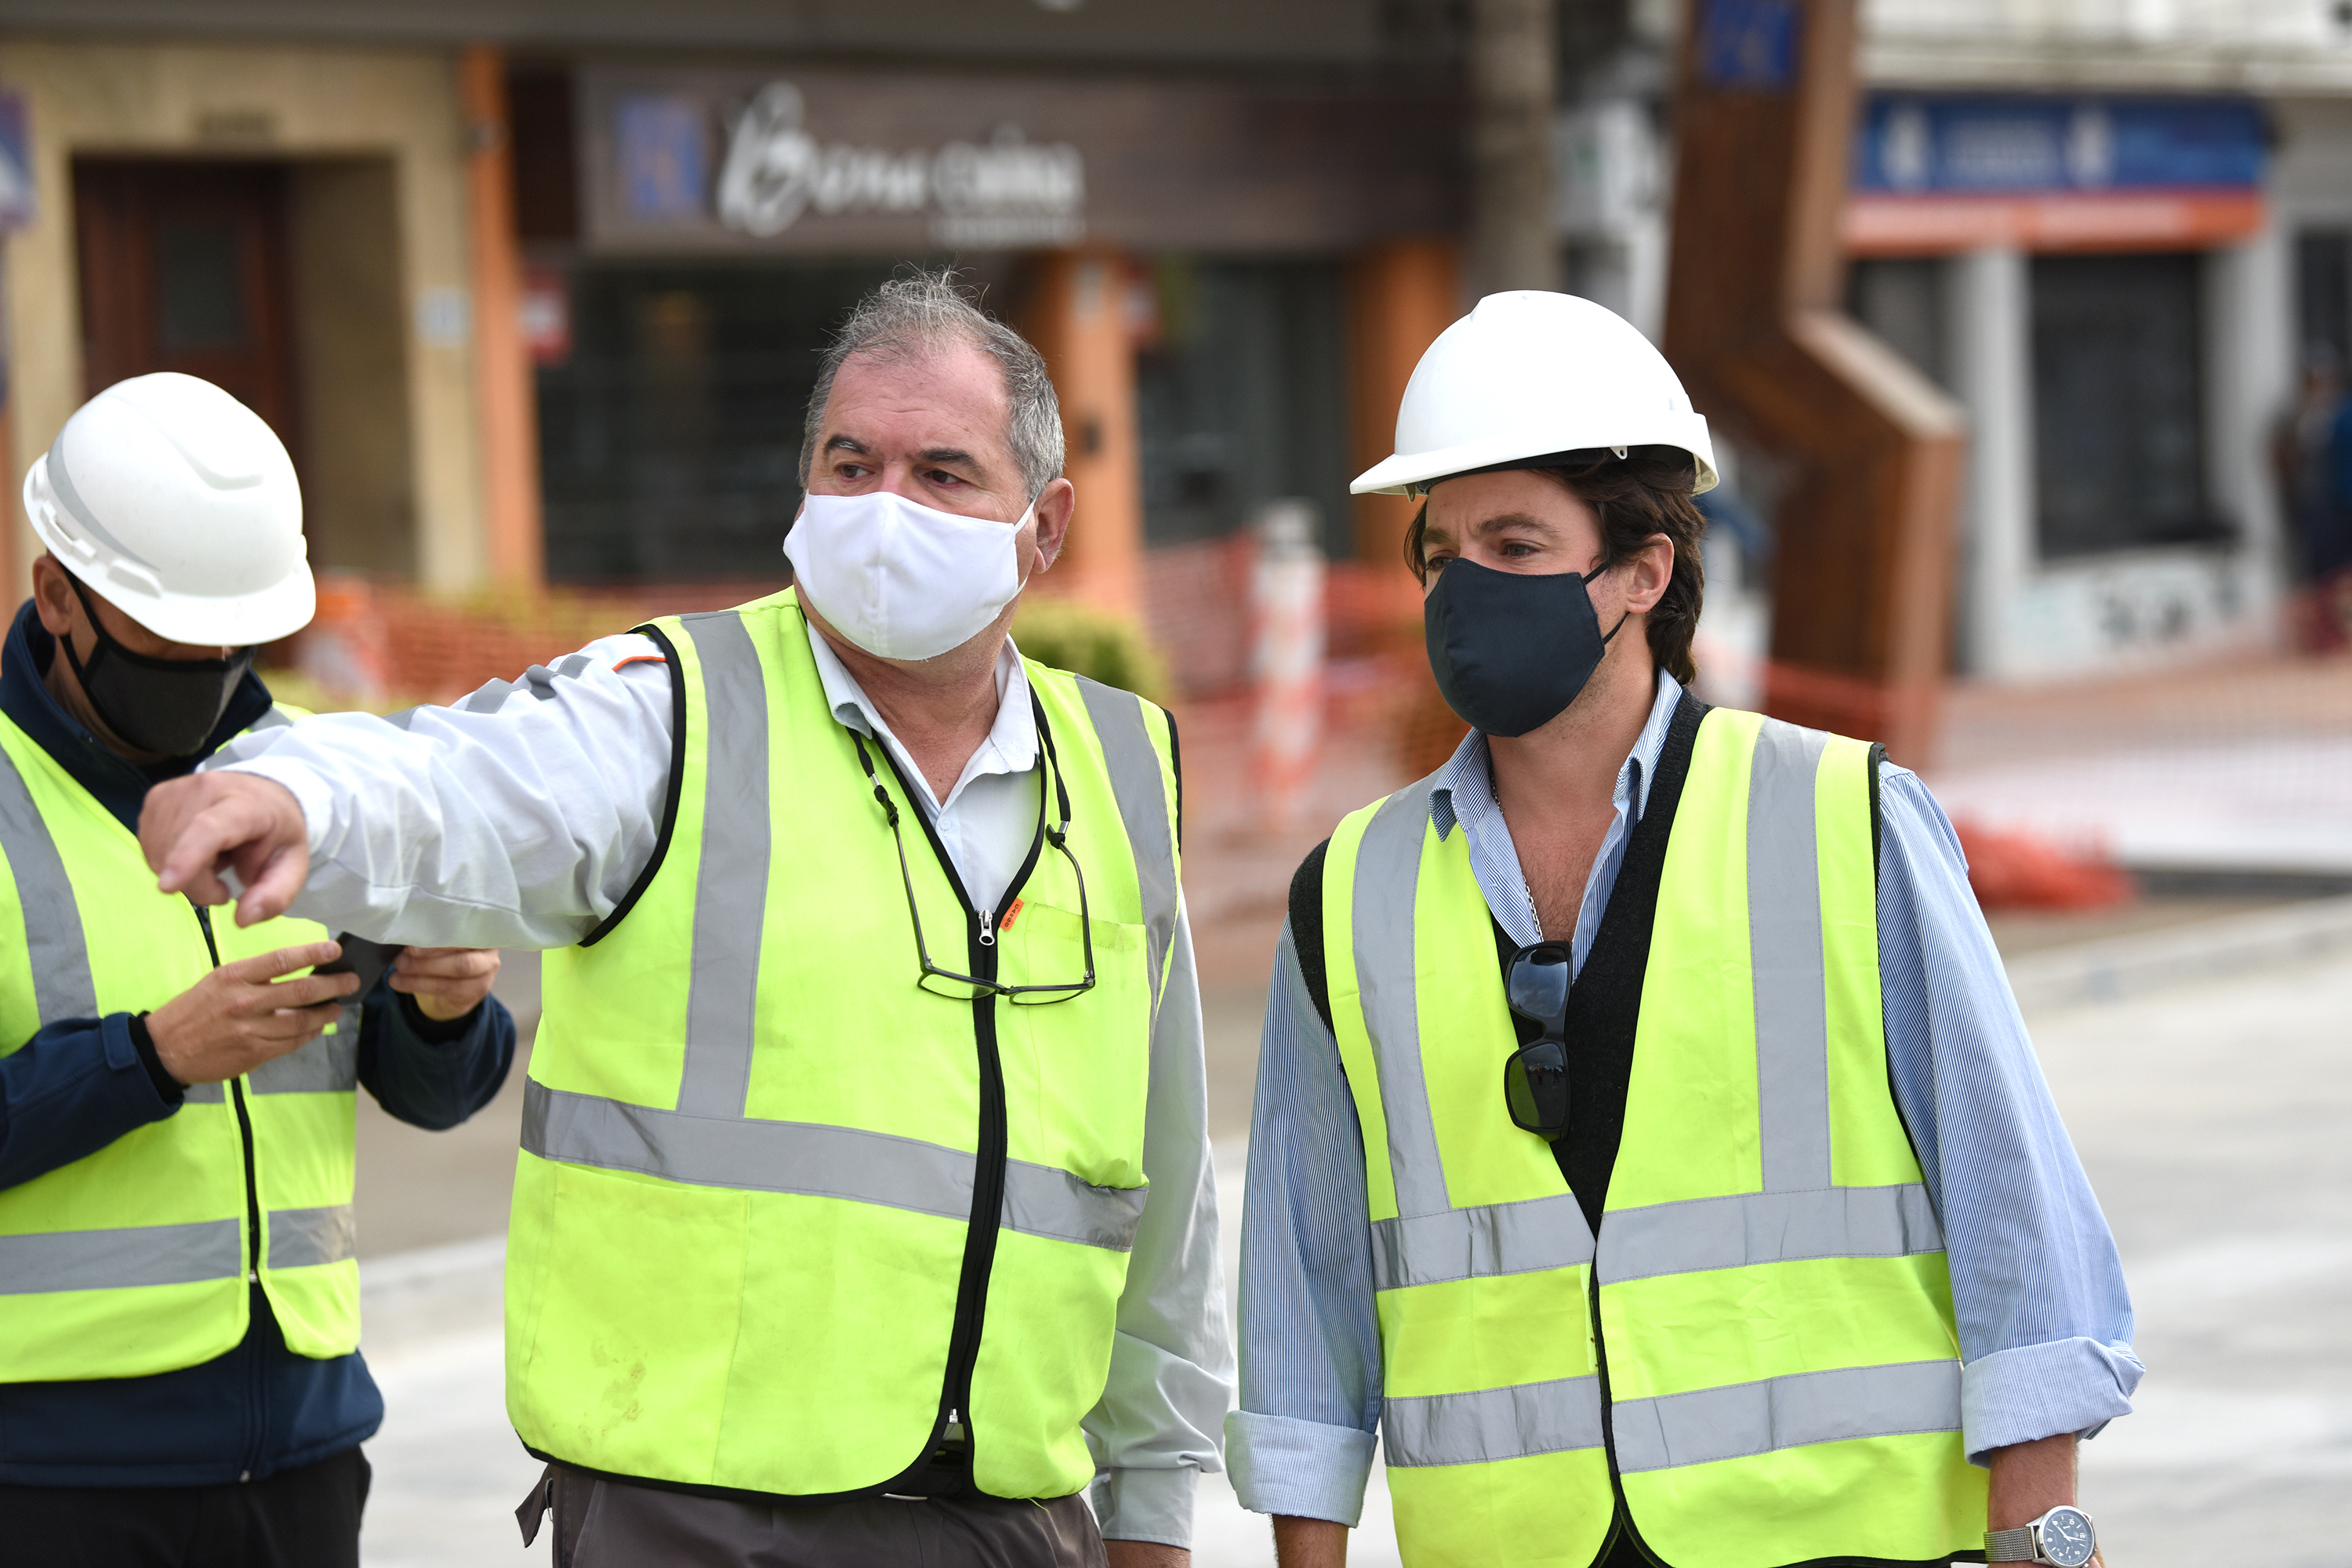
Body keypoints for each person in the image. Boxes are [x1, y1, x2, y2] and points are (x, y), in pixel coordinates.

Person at [140, 274, 1231, 1567]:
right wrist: (295, 791)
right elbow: (468, 779)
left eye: (942, 473)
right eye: (850, 462)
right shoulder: (673, 708)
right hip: (699, 1522)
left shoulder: (1119, 768)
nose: (885, 509)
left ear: (1042, 526)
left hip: (1011, 1522)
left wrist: (1154, 1509)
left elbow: (1159, 1208)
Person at [1226, 293, 2138, 1568]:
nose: (1464, 589)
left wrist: (2040, 1540)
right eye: (1441, 552)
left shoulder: (1845, 821)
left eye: (1518, 544)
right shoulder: (1349, 894)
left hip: (1839, 1545)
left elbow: (2017, 1225)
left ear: (1643, 570)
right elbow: (1302, 1307)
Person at [0, 372, 515, 1566]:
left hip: (302, 1452)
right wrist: (151, 1058)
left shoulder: (310, 778)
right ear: (55, 597)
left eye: (230, 643)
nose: (207, 674)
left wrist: (445, 1012)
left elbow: (436, 1095)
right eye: (169, 644)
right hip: (47, 1474)